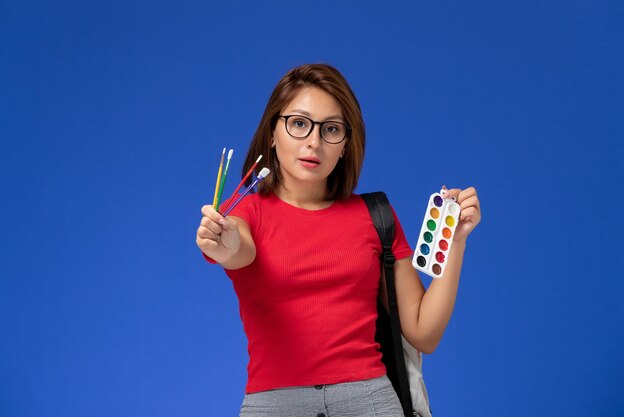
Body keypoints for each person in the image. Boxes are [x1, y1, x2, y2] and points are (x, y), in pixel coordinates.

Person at [196, 63, 481, 417]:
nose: (313, 142)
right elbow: (237, 247)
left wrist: (456, 243)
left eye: (330, 129)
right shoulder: (246, 213)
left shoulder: (376, 216)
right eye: (299, 124)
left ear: (345, 144)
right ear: (272, 132)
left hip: (371, 402)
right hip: (274, 406)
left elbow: (424, 333)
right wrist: (224, 243)